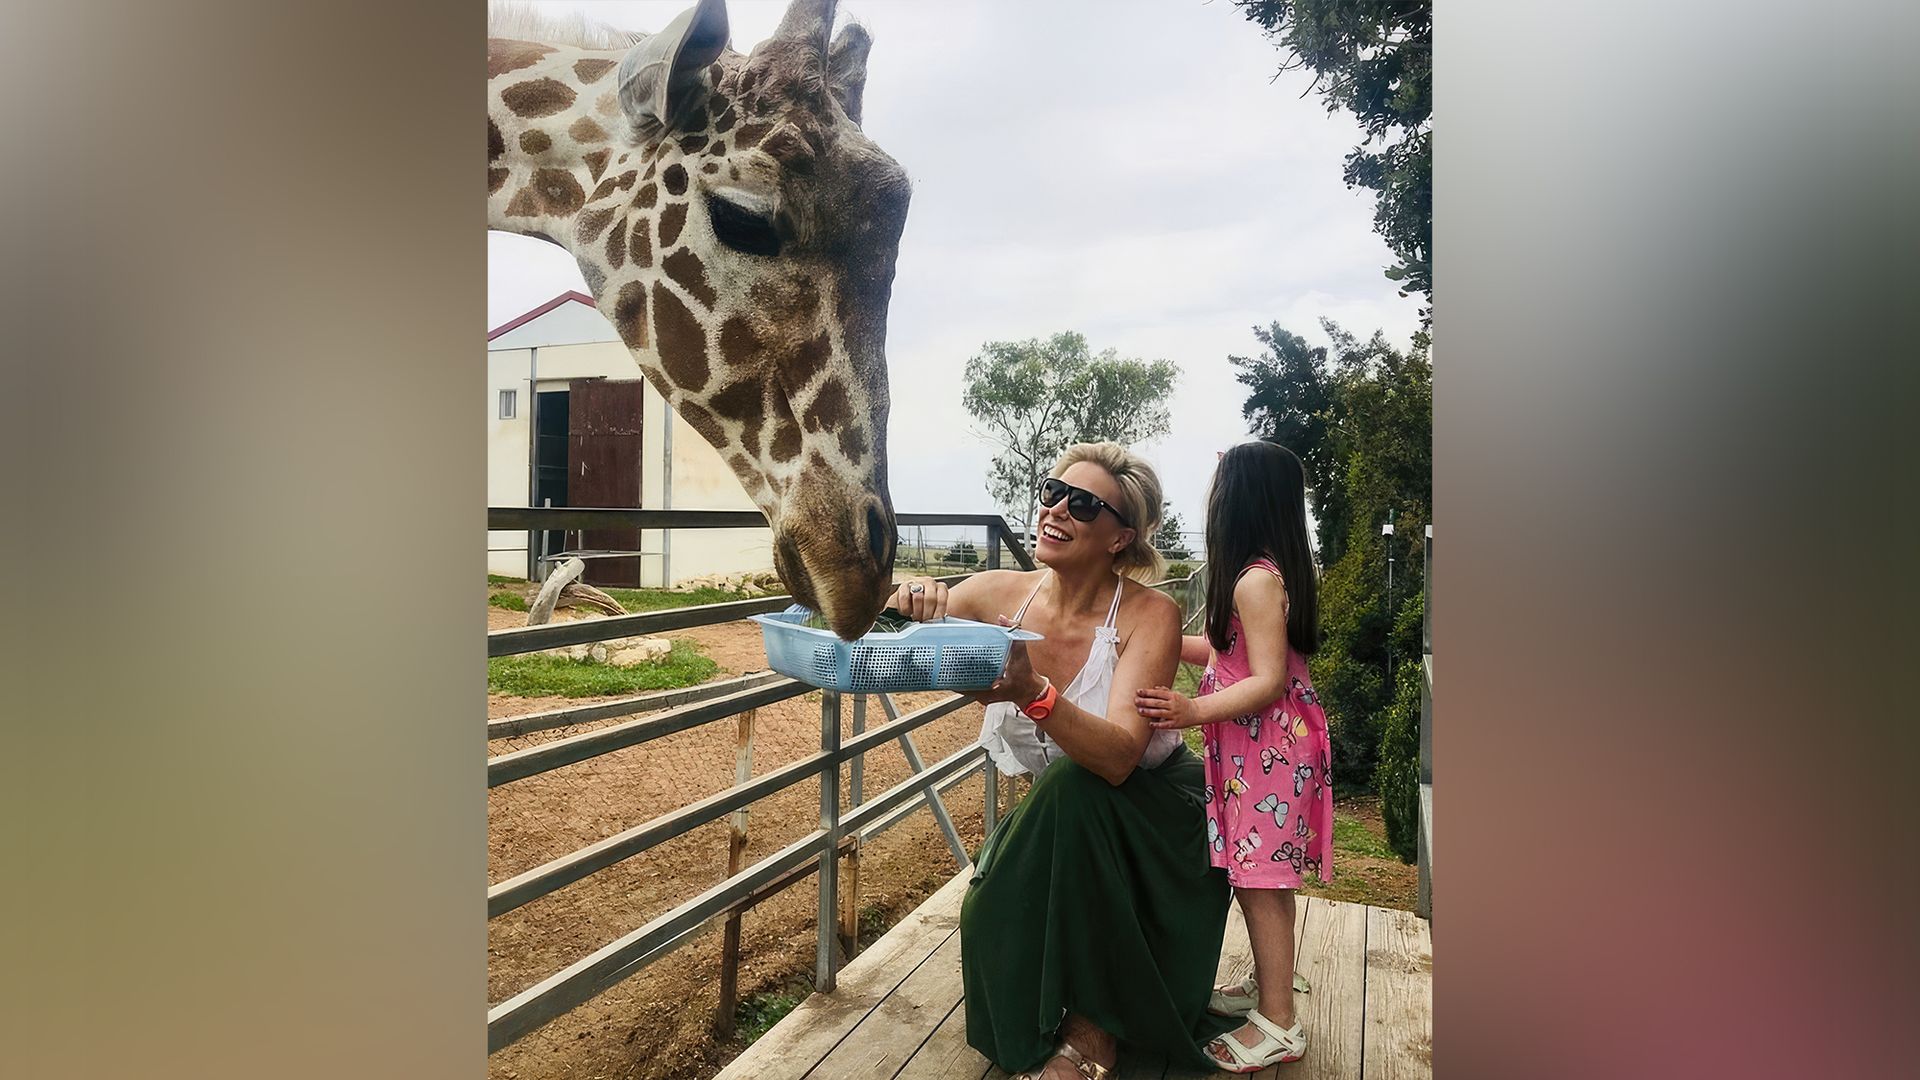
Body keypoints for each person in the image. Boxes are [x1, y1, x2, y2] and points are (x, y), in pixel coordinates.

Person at [888, 442, 1232, 1080]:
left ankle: (1090, 1033)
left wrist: (1034, 694)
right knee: (991, 903)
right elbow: (894, 637)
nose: (1056, 509)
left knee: (1074, 786)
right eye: (1052, 491)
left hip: (1158, 811)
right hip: (1068, 811)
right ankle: (1050, 1025)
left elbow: (1121, 757)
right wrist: (915, 598)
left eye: (1083, 504)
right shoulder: (996, 594)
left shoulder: (1151, 614)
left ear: (1120, 536)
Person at [1134, 440, 1331, 1072]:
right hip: (1269, 751)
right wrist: (1152, 639)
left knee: (1259, 880)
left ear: (1235, 502)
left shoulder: (1253, 580)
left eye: (1217, 488)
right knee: (1264, 877)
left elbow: (1266, 678)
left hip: (1267, 752)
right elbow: (1230, 658)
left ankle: (1279, 1022)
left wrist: (1191, 711)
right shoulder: (1269, 573)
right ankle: (1271, 987)